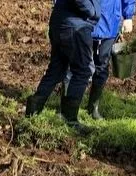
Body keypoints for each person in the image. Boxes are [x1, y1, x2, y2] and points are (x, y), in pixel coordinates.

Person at [26, 0, 101, 132]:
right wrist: (92, 11)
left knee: (56, 69)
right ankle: (70, 119)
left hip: (62, 22)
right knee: (83, 70)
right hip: (75, 26)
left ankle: (32, 111)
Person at [67, 0, 136, 119]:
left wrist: (128, 16)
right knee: (78, 65)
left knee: (102, 66)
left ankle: (93, 107)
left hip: (110, 22)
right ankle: (69, 107)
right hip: (86, 21)